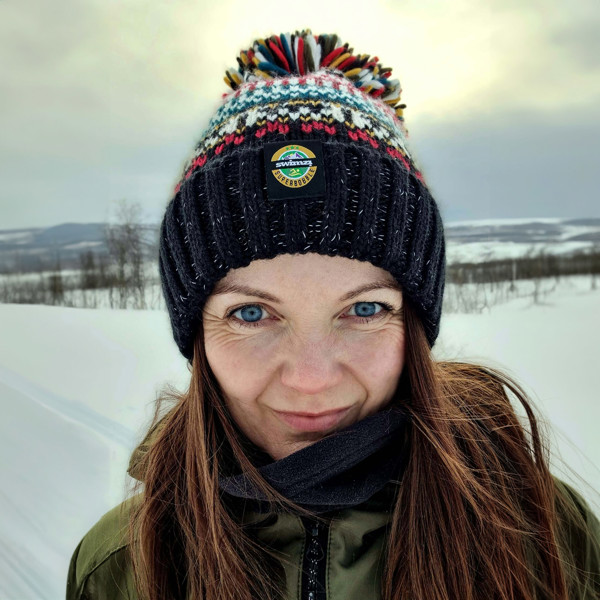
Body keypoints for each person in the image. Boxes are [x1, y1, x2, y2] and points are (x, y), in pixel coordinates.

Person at [66, 28, 600, 600]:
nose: (312, 380)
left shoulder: (536, 531)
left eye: (364, 309)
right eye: (250, 314)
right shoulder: (124, 564)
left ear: (413, 325)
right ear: (196, 330)